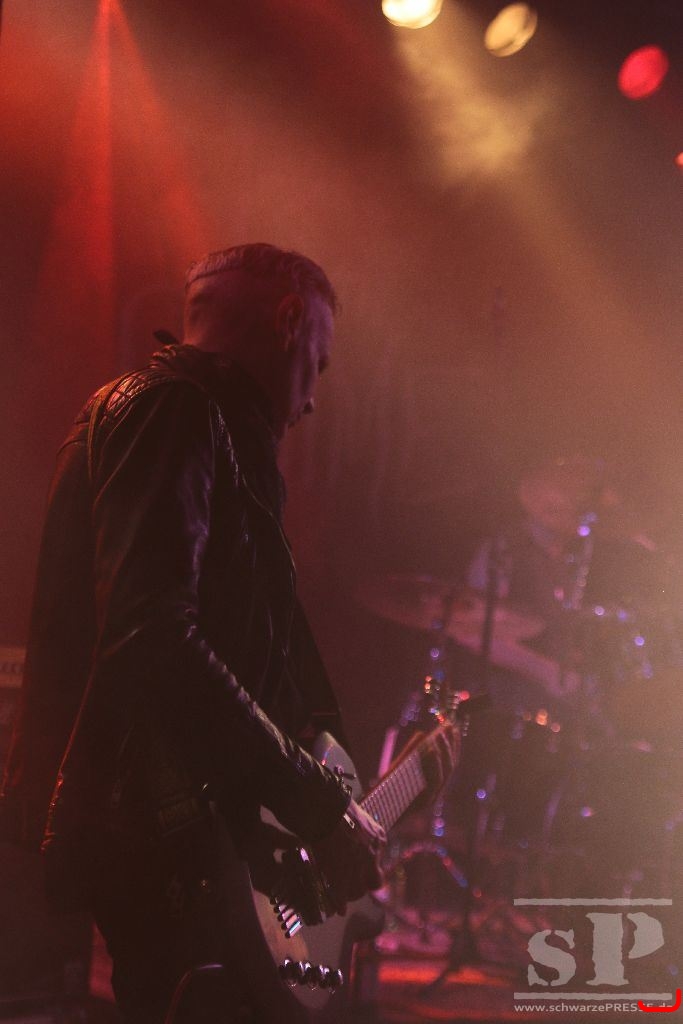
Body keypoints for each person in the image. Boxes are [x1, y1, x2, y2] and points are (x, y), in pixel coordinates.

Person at [1, 244, 455, 1023]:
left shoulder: (200, 429)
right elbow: (153, 637)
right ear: (288, 320)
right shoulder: (175, 410)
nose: (312, 400)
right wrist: (315, 801)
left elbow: (233, 671)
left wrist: (367, 792)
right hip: (166, 832)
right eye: (317, 364)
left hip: (185, 829)